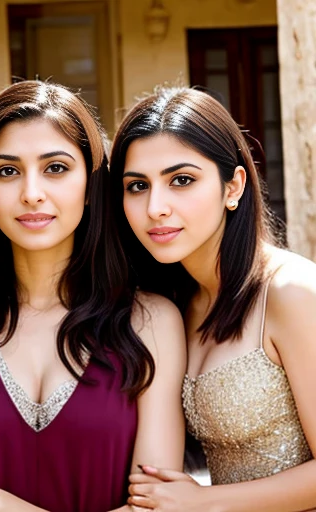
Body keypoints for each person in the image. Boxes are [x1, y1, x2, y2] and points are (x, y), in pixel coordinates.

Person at [0, 80, 186, 512]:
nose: (31, 192)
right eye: (7, 171)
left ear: (92, 185)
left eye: (55, 168)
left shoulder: (150, 321)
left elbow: (156, 508)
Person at [109, 86, 316, 511]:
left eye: (181, 180)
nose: (156, 207)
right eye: (137, 186)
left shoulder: (290, 293)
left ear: (233, 186)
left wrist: (205, 502)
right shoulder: (174, 303)